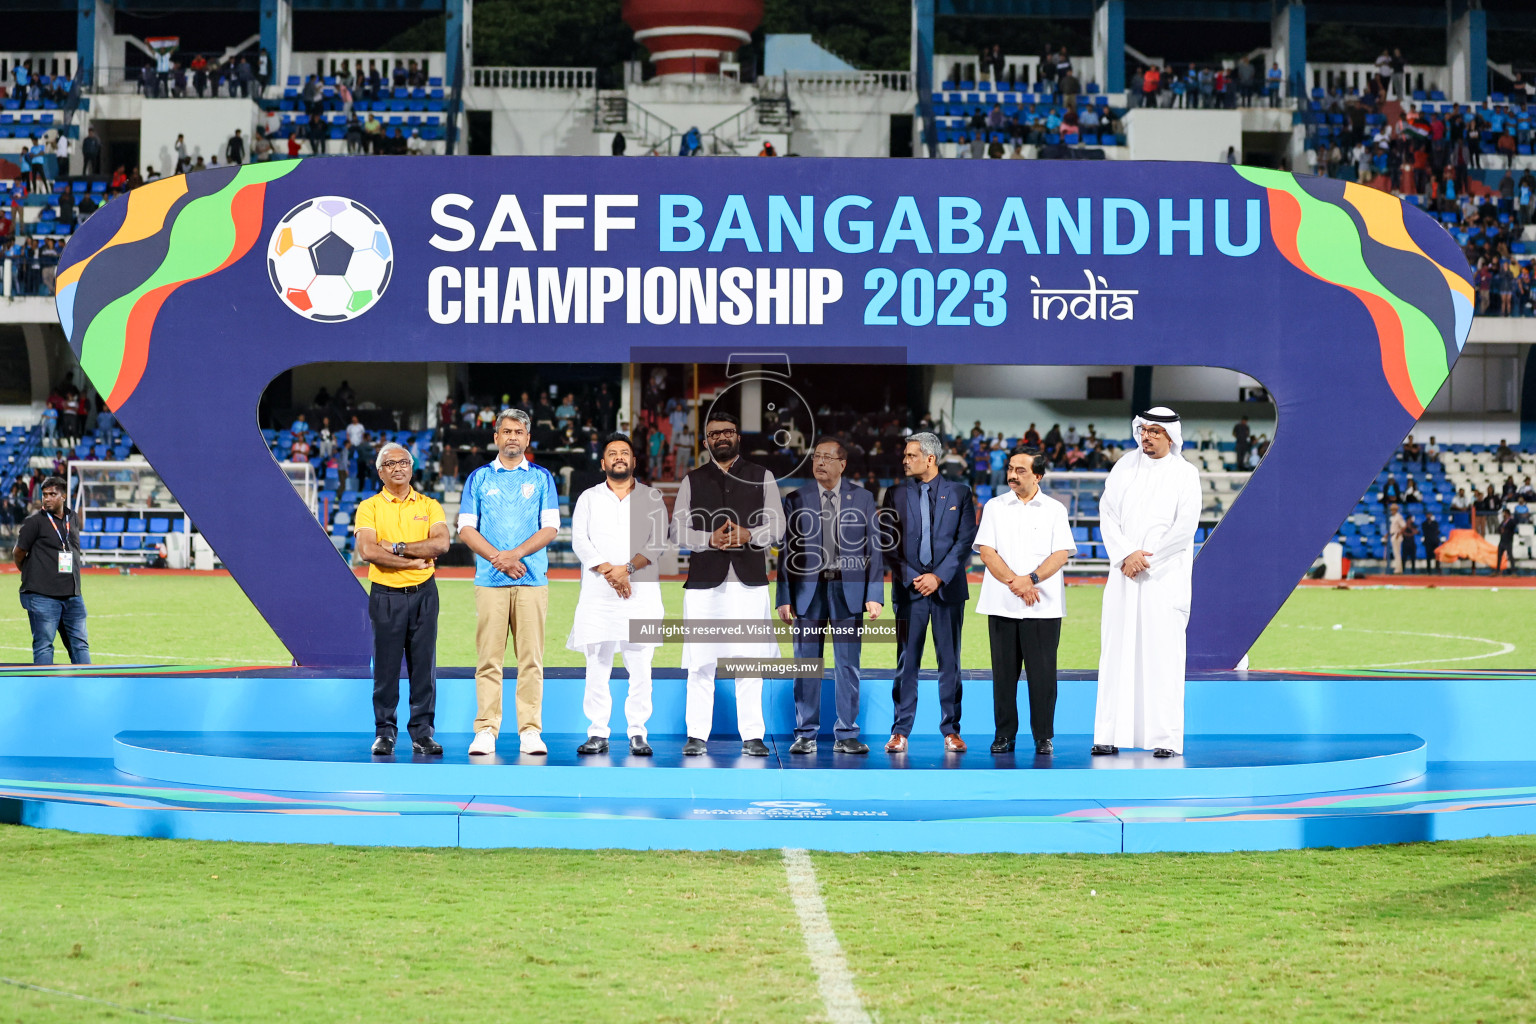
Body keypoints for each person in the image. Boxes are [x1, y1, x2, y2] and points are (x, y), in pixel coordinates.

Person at [672, 411, 785, 756]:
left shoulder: (762, 476)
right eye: (714, 434)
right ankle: (696, 735)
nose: (722, 437)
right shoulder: (692, 479)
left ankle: (753, 735)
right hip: (705, 584)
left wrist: (750, 534)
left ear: (739, 437)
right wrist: (710, 539)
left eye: (728, 432)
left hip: (749, 582)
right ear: (705, 441)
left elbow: (778, 527)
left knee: (748, 661)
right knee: (700, 662)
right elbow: (677, 531)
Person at [1092, 408, 1201, 759]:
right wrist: (1126, 555)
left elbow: (1185, 528)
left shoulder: (1186, 474)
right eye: (1144, 430)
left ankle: (1165, 738)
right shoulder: (1123, 466)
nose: (1148, 436)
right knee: (1115, 654)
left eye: (1155, 431)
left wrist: (1146, 559)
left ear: (1171, 436)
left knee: (1163, 657)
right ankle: (1108, 734)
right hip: (1124, 575)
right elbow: (1107, 514)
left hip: (1163, 578)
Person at [457, 409, 560, 757]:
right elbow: (466, 528)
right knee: (489, 660)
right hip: (489, 580)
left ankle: (530, 731)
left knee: (531, 660)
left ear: (528, 438)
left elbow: (550, 529)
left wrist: (512, 554)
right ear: (496, 437)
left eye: (519, 431)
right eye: (506, 431)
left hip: (533, 582)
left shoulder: (543, 478)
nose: (513, 436)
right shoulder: (478, 478)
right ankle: (486, 729)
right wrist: (497, 559)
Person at [776, 437, 885, 756]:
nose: (820, 462)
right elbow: (787, 552)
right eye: (816, 457)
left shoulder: (863, 498)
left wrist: (874, 593)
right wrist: (784, 596)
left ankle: (847, 733)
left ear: (843, 464)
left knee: (847, 665)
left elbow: (873, 548)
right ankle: (806, 733)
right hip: (807, 592)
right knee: (805, 664)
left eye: (827, 457)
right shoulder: (795, 498)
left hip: (848, 591)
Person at [568, 434, 667, 756]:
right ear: (603, 463)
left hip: (641, 594)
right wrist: (610, 571)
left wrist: (627, 570)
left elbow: (657, 542)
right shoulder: (589, 498)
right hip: (598, 595)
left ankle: (638, 732)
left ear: (634, 461)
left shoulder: (652, 498)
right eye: (613, 454)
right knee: (597, 666)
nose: (619, 458)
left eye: (625, 453)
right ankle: (597, 732)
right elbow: (580, 541)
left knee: (641, 667)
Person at [974, 445, 1075, 757]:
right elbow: (987, 552)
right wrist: (1014, 582)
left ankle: (1043, 736)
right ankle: (1004, 735)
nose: (1012, 475)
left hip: (1042, 607)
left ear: (1038, 475)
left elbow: (1060, 554)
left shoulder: (1056, 509)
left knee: (1043, 678)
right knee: (1003, 676)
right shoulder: (994, 506)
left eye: (1021, 470)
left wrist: (1029, 580)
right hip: (1001, 604)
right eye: (1010, 469)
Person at [881, 431, 977, 753]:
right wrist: (913, 577)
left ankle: (951, 730)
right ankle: (899, 732)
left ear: (930, 458)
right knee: (906, 664)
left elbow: (964, 543)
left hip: (947, 591)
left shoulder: (961, 493)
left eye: (911, 455)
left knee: (950, 663)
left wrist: (937, 577)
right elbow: (889, 544)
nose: (905, 461)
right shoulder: (894, 494)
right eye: (905, 455)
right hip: (910, 593)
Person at [352, 443, 449, 756]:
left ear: (412, 467)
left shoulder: (430, 505)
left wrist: (395, 547)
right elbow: (367, 550)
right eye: (390, 463)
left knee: (424, 668)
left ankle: (423, 733)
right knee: (386, 668)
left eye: (404, 462)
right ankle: (385, 733)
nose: (398, 468)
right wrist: (412, 561)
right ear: (380, 472)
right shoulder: (369, 507)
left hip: (424, 594)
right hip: (386, 595)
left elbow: (442, 543)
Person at [12, 476, 89, 664]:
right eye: (45, 494)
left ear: (63, 496)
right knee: (44, 645)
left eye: (52, 494)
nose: (47, 498)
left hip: (72, 595)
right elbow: (19, 552)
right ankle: (44, 689)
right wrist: (30, 573)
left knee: (80, 645)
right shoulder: (34, 522)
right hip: (42, 596)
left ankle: (88, 686)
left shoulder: (72, 518)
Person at [1497, 508, 1518, 575]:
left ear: (1508, 514)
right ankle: (1498, 571)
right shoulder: (1503, 522)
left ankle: (1513, 571)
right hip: (1502, 541)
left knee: (1510, 556)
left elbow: (1513, 527)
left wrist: (1504, 530)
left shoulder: (1511, 521)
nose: (1504, 515)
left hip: (1508, 541)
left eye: (1505, 514)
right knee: (1499, 556)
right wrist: (1501, 530)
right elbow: (1498, 529)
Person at [1388, 502, 1406, 574]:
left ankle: (1398, 569)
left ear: (1396, 510)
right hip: (1393, 535)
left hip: (1396, 536)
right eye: (1391, 510)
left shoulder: (1398, 517)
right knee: (1396, 553)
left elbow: (1404, 526)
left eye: (1393, 510)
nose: (1392, 511)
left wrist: (1399, 533)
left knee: (1397, 553)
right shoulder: (1393, 517)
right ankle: (1398, 568)